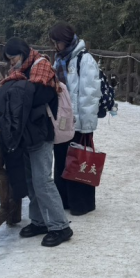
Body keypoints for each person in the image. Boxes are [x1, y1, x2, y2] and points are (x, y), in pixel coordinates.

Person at [0, 37, 73, 247]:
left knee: (43, 181)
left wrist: (18, 88)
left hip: (42, 132)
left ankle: (60, 226)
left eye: (14, 59)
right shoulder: (22, 72)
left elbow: (39, 97)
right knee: (31, 180)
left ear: (23, 53)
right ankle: (39, 221)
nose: (12, 64)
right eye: (9, 60)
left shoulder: (42, 67)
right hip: (26, 134)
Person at [49, 22, 101, 215]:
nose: (55, 46)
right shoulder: (60, 59)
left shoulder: (84, 60)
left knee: (78, 161)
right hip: (63, 121)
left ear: (65, 40)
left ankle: (81, 204)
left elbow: (90, 95)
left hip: (79, 123)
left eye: (57, 42)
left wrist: (85, 127)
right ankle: (64, 201)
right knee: (62, 160)